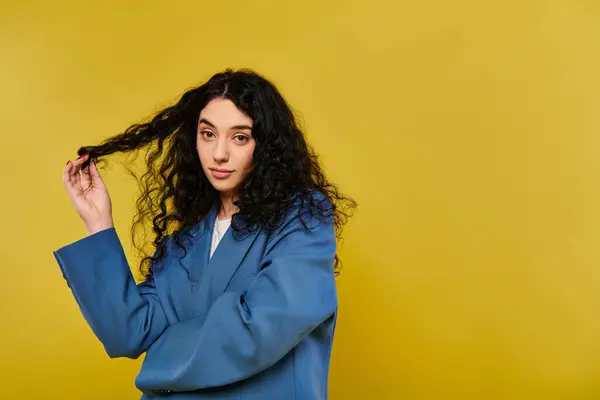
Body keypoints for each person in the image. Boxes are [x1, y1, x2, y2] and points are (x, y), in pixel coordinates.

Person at [54, 69, 356, 399]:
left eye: (240, 137)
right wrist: (99, 223)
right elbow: (127, 332)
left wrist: (159, 359)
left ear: (266, 145)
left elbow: (259, 328)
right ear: (193, 140)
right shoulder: (183, 244)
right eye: (208, 134)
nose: (219, 153)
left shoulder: (302, 217)